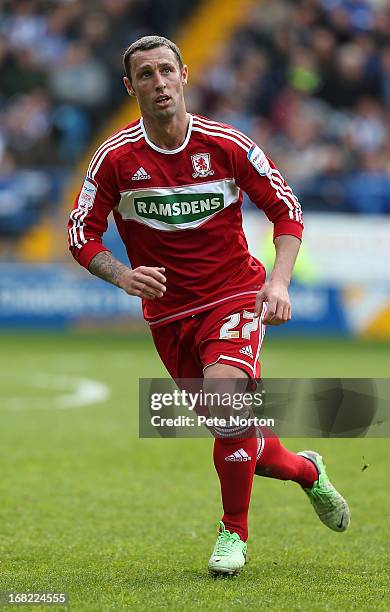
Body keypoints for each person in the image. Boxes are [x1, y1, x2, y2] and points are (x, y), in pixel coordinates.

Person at [68, 35, 350, 576]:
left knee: (225, 401)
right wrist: (123, 275)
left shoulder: (227, 145)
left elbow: (286, 212)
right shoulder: (115, 159)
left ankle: (233, 536)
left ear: (184, 75)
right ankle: (308, 472)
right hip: (170, 316)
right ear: (132, 88)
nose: (158, 82)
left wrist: (279, 283)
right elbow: (82, 234)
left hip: (234, 295)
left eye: (166, 70)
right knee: (239, 433)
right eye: (145, 75)